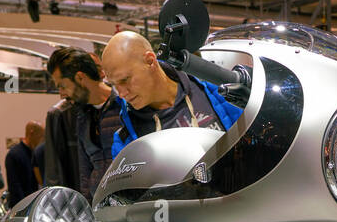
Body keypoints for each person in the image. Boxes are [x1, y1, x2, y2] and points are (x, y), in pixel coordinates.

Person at [100, 30, 244, 156]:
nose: (121, 93)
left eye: (125, 80)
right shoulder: (125, 142)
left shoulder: (216, 91)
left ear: (150, 61)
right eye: (114, 84)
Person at [47, 46, 120, 194]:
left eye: (62, 86)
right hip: (99, 209)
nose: (61, 94)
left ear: (80, 78)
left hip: (130, 206)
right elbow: (84, 173)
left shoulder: (125, 104)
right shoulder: (81, 117)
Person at [6, 122, 43, 205]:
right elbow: (15, 186)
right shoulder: (14, 154)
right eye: (40, 137)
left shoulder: (36, 153)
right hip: (22, 206)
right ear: (31, 133)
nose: (41, 141)